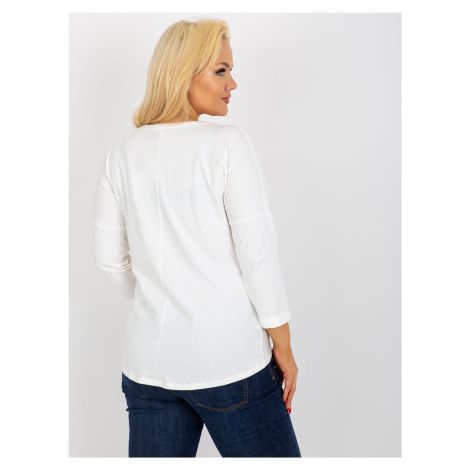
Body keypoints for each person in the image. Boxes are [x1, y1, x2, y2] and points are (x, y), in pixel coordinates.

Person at [92, 17, 301, 458]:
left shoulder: (121, 154)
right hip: (230, 364)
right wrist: (282, 346)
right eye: (221, 70)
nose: (233, 83)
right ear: (183, 73)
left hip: (148, 369)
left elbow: (110, 260)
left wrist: (158, 295)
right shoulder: (227, 145)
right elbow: (258, 255)